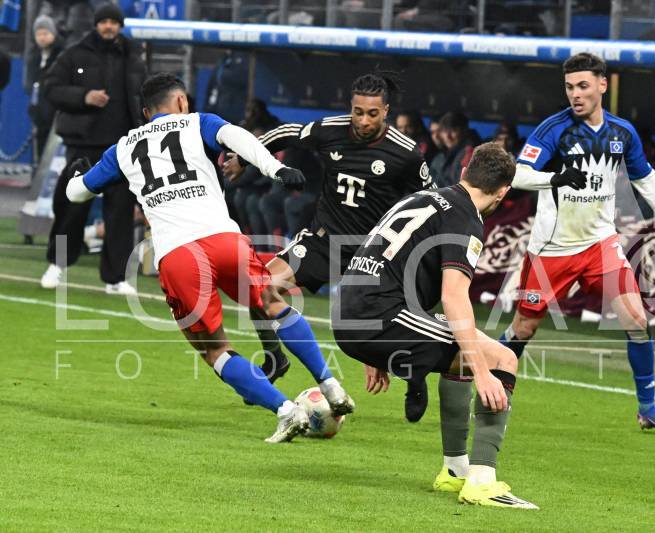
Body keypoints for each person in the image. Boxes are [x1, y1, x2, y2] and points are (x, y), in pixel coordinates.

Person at [64, 73, 354, 443]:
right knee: (271, 302)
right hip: (224, 240)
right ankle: (329, 384)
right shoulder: (196, 122)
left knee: (214, 349)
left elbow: (76, 193)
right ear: (181, 101)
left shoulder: (122, 149)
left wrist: (77, 174)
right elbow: (236, 136)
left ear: (145, 112)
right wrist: (276, 169)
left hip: (178, 255)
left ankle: (285, 410)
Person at [498, 53, 655, 434]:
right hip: (552, 250)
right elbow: (518, 174)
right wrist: (555, 178)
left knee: (636, 320)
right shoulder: (553, 130)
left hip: (600, 245)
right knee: (524, 328)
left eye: (583, 86)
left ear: (602, 85)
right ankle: (491, 387)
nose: (575, 94)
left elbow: (647, 180)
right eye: (569, 87)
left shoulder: (622, 133)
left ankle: (648, 408)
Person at [333, 142, 537, 509]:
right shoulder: (465, 218)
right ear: (503, 192)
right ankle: (482, 482)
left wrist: (371, 346)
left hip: (350, 309)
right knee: (501, 359)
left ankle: (455, 471)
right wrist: (483, 373)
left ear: (464, 172)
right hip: (379, 315)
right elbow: (454, 297)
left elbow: (377, 257)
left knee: (459, 353)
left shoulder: (422, 198)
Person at [222, 72, 433, 419]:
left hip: (372, 254)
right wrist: (244, 158)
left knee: (389, 330)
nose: (363, 121)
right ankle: (274, 358)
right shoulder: (330, 130)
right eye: (358, 112)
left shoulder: (406, 153)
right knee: (259, 287)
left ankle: (414, 376)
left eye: (372, 114)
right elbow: (285, 133)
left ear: (386, 111)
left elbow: (429, 202)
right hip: (323, 241)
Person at [39, 4, 146, 294]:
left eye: (114, 22)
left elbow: (144, 95)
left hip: (122, 149)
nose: (109, 26)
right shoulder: (74, 54)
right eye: (104, 21)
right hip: (84, 146)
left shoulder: (134, 55)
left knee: (120, 214)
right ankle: (57, 264)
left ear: (121, 25)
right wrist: (83, 96)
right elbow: (51, 88)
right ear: (96, 24)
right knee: (71, 209)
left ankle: (117, 278)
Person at [25, 15, 63, 158]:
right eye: (38, 34)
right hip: (39, 112)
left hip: (55, 112)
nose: (42, 38)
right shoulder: (35, 56)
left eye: (45, 33)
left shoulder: (61, 55)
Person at [429, 111, 475, 187]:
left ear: (464, 130)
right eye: (444, 131)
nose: (448, 136)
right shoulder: (443, 155)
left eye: (453, 130)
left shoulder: (469, 153)